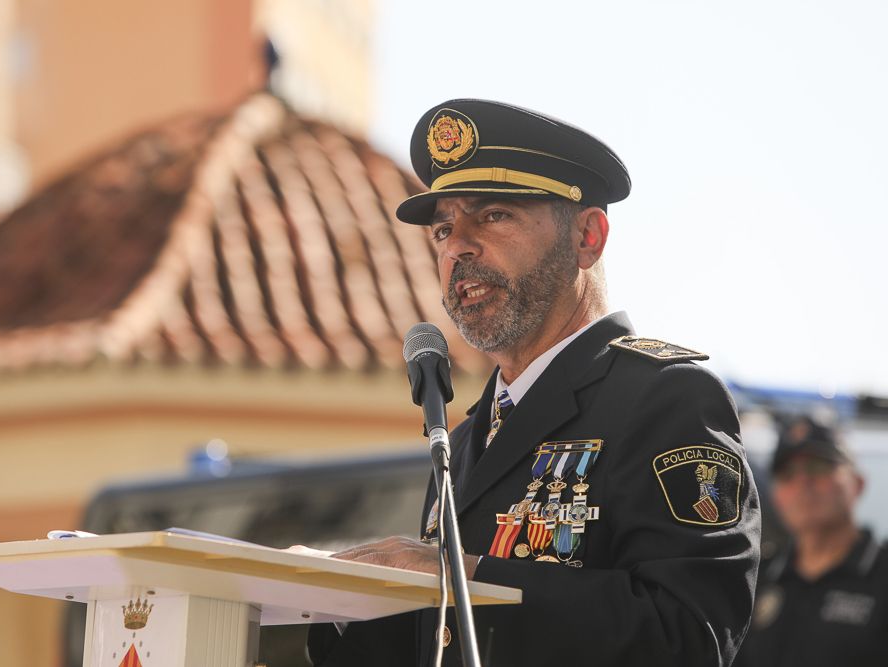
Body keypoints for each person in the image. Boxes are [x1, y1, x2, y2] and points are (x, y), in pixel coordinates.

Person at [306, 99, 761, 667]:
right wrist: (317, 601)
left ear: (587, 237)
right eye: (444, 228)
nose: (457, 247)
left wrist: (468, 576)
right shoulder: (466, 434)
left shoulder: (666, 398)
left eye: (493, 215)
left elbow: (688, 635)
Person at [734, 416, 888, 666]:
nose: (803, 483)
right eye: (787, 475)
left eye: (819, 467)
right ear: (775, 496)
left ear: (857, 484)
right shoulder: (757, 580)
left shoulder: (881, 575)